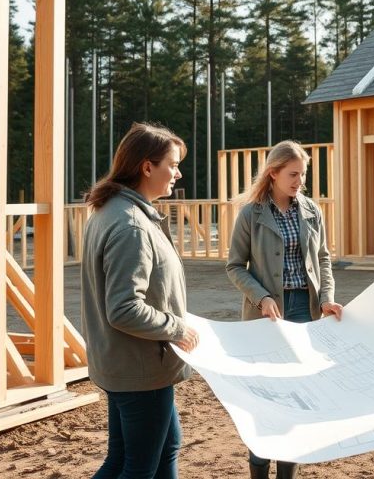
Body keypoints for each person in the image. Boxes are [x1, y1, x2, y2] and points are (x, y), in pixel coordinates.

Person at [81, 122, 200, 479]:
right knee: (137, 466)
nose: (178, 173)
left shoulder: (112, 209)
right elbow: (124, 308)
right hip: (139, 367)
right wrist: (177, 326)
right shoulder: (131, 224)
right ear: (147, 167)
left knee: (157, 451)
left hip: (126, 363)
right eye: (173, 164)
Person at [226, 140, 343, 479]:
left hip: (304, 311)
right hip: (265, 315)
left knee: (296, 396)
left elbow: (323, 259)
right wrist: (261, 297)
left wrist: (326, 299)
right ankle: (259, 471)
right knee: (264, 400)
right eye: (293, 175)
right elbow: (235, 266)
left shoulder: (311, 210)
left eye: (303, 175)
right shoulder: (251, 213)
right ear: (273, 173)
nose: (299, 182)